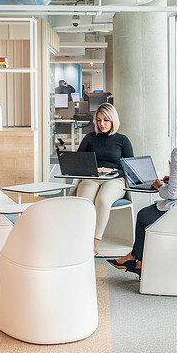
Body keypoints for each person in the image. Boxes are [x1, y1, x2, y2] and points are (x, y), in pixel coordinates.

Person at [109, 110, 177, 275]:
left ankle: (138, 261)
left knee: (143, 216)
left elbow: (172, 194)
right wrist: (173, 179)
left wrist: (159, 186)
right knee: (148, 214)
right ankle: (135, 259)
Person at [75, 103, 133, 252]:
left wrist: (111, 171)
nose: (102, 124)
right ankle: (81, 238)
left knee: (103, 199)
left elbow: (130, 169)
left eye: (106, 120)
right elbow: (77, 162)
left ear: (113, 120)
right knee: (85, 200)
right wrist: (92, 169)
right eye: (99, 120)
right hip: (91, 177)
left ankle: (93, 243)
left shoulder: (123, 140)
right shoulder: (89, 138)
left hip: (115, 179)